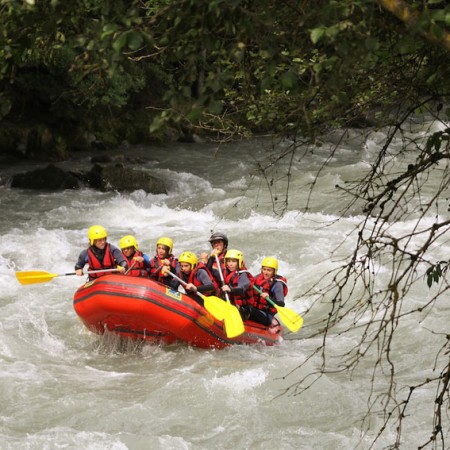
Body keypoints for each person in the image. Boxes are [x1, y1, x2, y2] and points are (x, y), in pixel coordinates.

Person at [250, 257, 288, 326]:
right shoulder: (257, 278)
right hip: (255, 308)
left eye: (269, 270)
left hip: (266, 315)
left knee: (247, 310)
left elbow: (281, 304)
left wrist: (268, 298)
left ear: (274, 271)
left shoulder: (277, 284)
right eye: (264, 269)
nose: (266, 272)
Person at [220, 249, 254, 320]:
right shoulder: (225, 272)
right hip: (229, 302)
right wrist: (211, 259)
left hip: (243, 310)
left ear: (239, 262)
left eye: (233, 261)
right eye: (228, 261)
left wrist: (230, 289)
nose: (230, 264)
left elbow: (242, 288)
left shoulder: (243, 276)